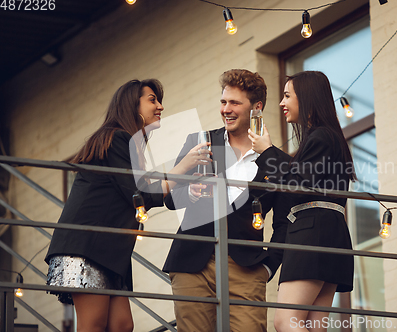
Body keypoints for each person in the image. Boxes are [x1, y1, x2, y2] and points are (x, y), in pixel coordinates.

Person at [45, 79, 210, 332]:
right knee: (93, 324)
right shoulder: (115, 138)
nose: (161, 106)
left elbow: (145, 194)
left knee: (122, 325)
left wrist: (185, 187)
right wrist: (183, 168)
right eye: (152, 99)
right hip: (87, 246)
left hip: (110, 251)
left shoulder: (130, 146)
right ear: (132, 105)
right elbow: (140, 195)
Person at [163, 69, 289, 332]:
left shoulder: (277, 161)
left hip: (246, 266)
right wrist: (190, 192)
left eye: (235, 103)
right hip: (192, 261)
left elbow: (284, 224)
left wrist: (268, 266)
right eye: (223, 102)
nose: (226, 109)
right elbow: (171, 199)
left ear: (257, 107)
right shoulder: (200, 142)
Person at [249, 71, 356, 332]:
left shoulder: (320, 136)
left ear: (306, 97)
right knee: (313, 325)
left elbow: (298, 184)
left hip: (312, 233)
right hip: (332, 234)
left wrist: (268, 152)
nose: (281, 103)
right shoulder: (329, 137)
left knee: (286, 321)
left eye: (287, 96)